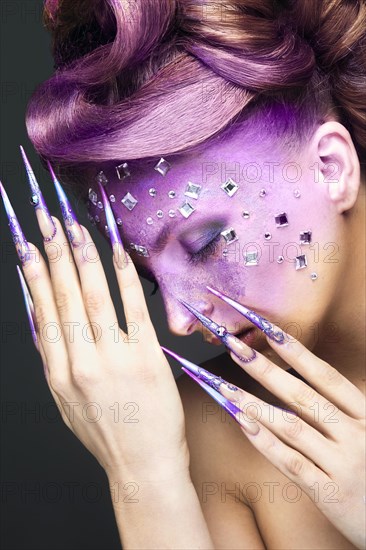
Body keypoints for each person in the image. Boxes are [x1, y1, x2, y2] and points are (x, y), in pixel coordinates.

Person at [1, 0, 365, 547]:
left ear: (329, 167)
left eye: (205, 243)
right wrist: (144, 477)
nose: (177, 319)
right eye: (152, 277)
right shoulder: (214, 430)